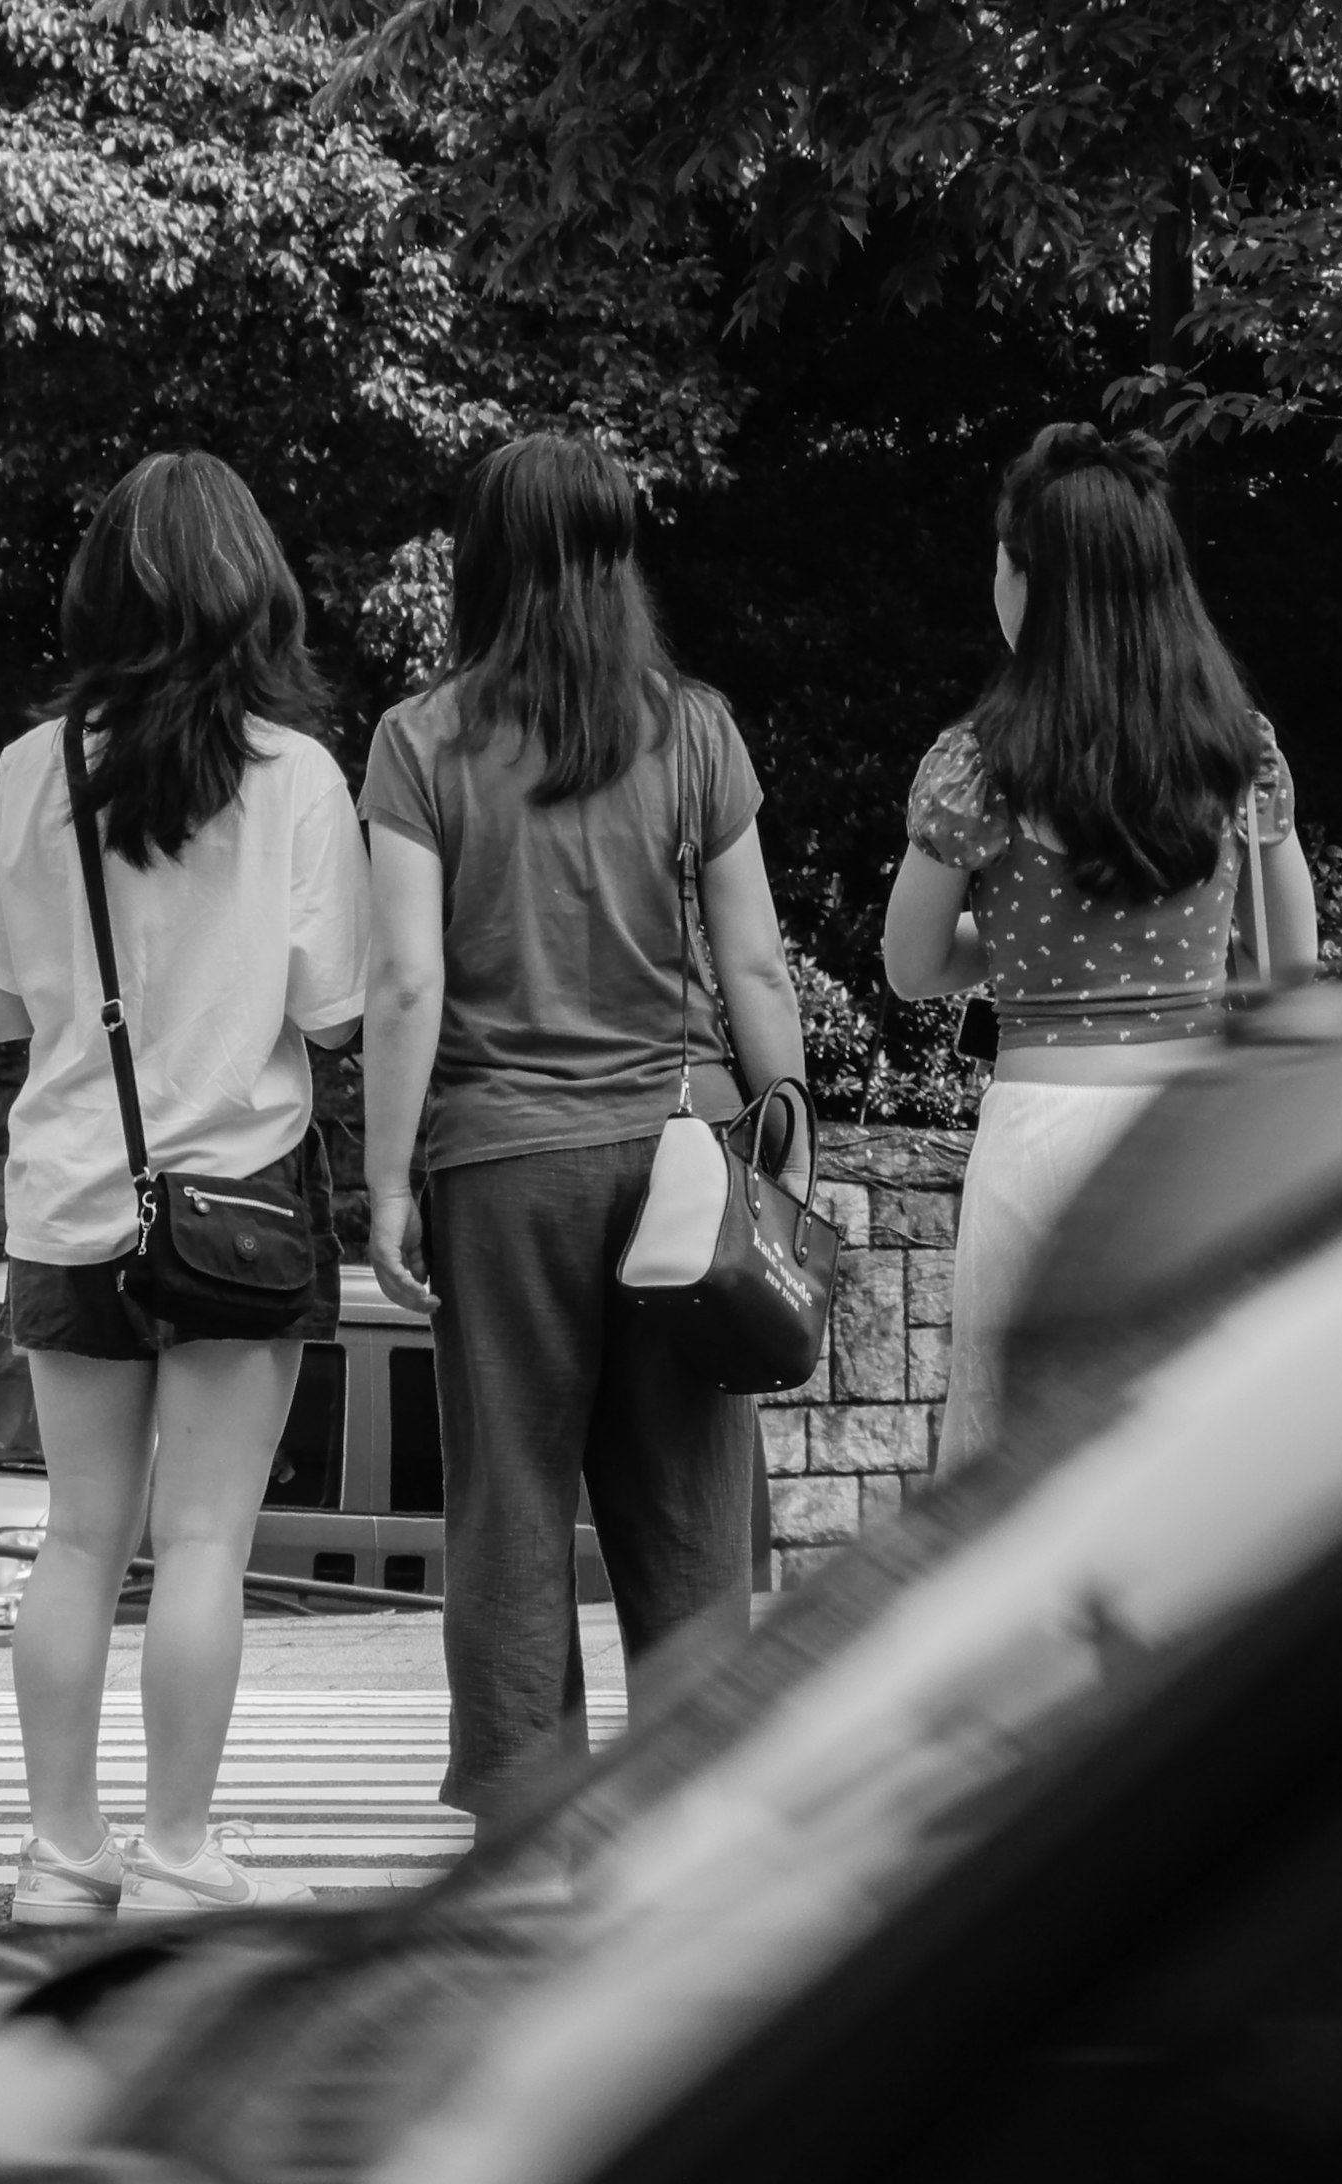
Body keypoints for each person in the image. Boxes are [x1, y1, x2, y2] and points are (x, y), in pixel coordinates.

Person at [358, 432, 809, 1827]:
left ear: (482, 562)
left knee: (511, 1492)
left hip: (498, 1168)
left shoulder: (421, 740)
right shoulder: (693, 732)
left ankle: (523, 1809)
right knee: (685, 1503)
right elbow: (756, 965)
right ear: (619, 561)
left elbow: (409, 978)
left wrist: (386, 1178)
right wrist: (785, 1128)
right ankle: (696, 1804)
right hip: (676, 1162)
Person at [0, 452, 366, 1922]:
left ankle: (60, 1859)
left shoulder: (27, 769)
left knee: (78, 1537)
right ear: (250, 588)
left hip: (71, 1202)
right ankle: (181, 1855)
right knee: (204, 1546)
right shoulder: (297, 778)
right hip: (240, 1209)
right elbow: (332, 1010)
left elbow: (1, 1014)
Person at [883, 422, 1313, 1467]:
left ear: (1028, 580)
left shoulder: (980, 764)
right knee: (1180, 1458)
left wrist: (1023, 951)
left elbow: (912, 964)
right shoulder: (1236, 751)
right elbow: (1292, 968)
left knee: (1014, 1474)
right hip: (1188, 1136)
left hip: (1037, 1133)